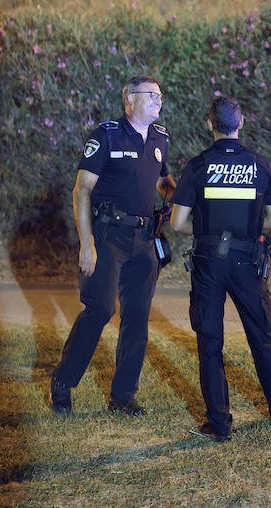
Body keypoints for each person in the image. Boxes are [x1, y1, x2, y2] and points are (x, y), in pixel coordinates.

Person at [168, 96, 271, 441]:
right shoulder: (259, 164)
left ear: (210, 125)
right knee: (262, 336)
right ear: (241, 123)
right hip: (248, 262)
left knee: (210, 343)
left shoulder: (197, 166)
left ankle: (219, 425)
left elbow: (178, 223)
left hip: (209, 262)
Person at [48, 75, 175, 416]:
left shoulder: (161, 138)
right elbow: (81, 191)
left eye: (160, 95)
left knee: (136, 318)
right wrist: (85, 242)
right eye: (151, 95)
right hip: (107, 238)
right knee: (100, 310)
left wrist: (179, 194)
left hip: (144, 239)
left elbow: (163, 180)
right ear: (129, 100)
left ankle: (123, 397)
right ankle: (63, 383)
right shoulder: (105, 135)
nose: (158, 100)